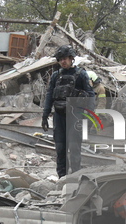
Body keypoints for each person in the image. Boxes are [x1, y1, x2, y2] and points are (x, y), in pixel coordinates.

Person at [42, 45, 94, 178]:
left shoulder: (81, 75)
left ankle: (76, 178)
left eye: (64, 58)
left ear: (71, 58)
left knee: (75, 149)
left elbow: (90, 96)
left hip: (75, 117)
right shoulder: (55, 76)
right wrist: (45, 114)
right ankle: (62, 179)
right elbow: (49, 95)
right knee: (60, 149)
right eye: (60, 59)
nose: (62, 62)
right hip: (59, 116)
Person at [86, 71, 109, 135]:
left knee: (94, 130)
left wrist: (97, 112)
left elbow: (102, 102)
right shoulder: (89, 88)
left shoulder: (100, 88)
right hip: (90, 110)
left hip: (98, 112)